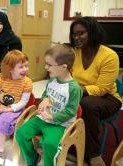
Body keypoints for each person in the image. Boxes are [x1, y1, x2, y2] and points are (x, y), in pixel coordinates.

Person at [16, 44, 83, 166]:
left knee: (49, 144)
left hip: (60, 124)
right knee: (21, 133)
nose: (45, 67)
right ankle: (32, 158)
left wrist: (52, 117)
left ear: (63, 67)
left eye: (49, 64)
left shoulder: (74, 88)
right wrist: (45, 99)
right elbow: (45, 95)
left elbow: (71, 111)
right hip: (42, 118)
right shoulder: (52, 80)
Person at [70, 16, 122, 166]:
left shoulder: (109, 56)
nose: (76, 37)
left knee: (86, 105)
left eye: (81, 33)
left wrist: (77, 90)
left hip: (108, 97)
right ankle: (66, 138)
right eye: (74, 34)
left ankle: (92, 153)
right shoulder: (75, 52)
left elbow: (102, 88)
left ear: (92, 32)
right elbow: (68, 76)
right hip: (81, 94)